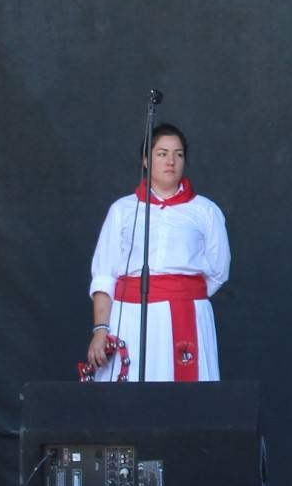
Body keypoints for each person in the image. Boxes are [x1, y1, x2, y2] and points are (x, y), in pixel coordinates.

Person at [87, 123, 230, 382]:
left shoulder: (205, 211)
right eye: (162, 153)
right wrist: (100, 330)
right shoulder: (123, 209)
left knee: (186, 398)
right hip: (130, 314)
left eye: (178, 154)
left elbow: (218, 271)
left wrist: (176, 293)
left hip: (187, 313)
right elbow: (104, 274)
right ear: (146, 160)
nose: (171, 161)